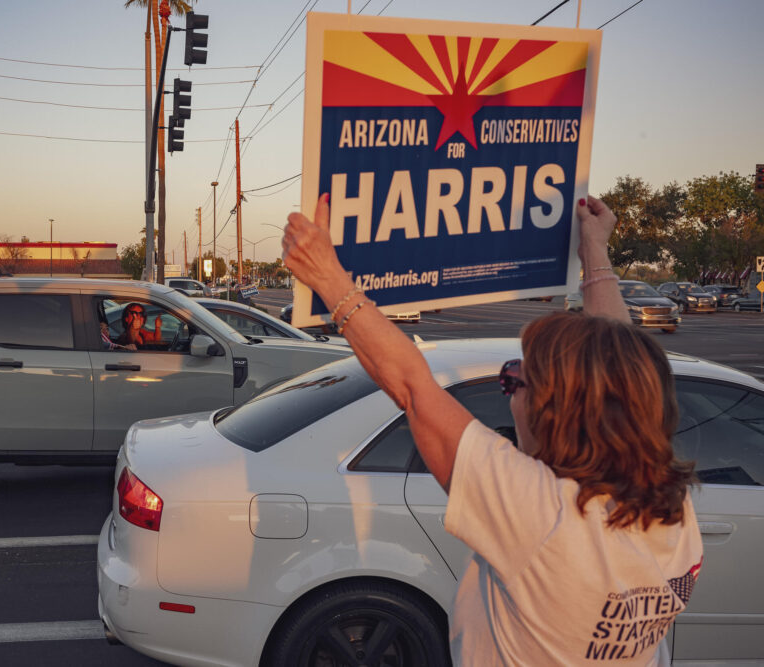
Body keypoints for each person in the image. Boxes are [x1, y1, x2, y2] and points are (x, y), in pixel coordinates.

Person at [282, 194, 702, 665]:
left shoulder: (541, 515)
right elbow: (618, 367)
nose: (508, 393)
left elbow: (413, 387)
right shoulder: (669, 500)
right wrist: (594, 251)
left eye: (514, 381)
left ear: (556, 416)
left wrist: (326, 277)